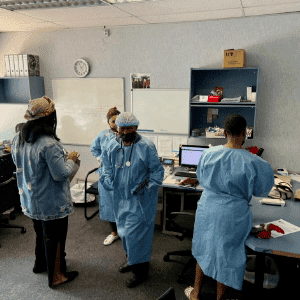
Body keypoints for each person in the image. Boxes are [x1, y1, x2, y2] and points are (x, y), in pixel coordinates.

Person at [185, 114, 274, 300]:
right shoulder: (255, 162)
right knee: (226, 255)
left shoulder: (209, 154)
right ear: (245, 133)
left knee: (203, 248)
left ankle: (195, 293)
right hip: (233, 213)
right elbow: (261, 191)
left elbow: (201, 178)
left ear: (224, 133)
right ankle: (220, 297)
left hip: (208, 208)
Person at [11, 96, 79, 288]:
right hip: (51, 202)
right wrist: (72, 159)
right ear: (50, 117)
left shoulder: (18, 138)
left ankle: (40, 265)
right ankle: (56, 275)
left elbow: (19, 164)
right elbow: (61, 175)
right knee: (54, 238)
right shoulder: (49, 144)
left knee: (40, 233)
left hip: (30, 198)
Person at [100, 112, 164, 288]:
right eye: (122, 128)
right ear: (117, 128)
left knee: (137, 237)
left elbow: (157, 173)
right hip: (120, 199)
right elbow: (105, 166)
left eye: (129, 128)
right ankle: (132, 260)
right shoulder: (112, 145)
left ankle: (141, 272)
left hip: (140, 201)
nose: (125, 131)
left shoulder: (146, 147)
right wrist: (107, 179)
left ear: (136, 127)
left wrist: (147, 188)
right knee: (124, 234)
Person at [90, 107, 121, 245]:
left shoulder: (127, 135)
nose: (116, 123)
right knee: (109, 204)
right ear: (108, 122)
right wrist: (98, 158)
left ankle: (125, 230)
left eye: (118, 120)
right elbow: (94, 148)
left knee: (125, 203)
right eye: (113, 121)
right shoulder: (102, 136)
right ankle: (114, 232)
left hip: (123, 175)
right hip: (107, 175)